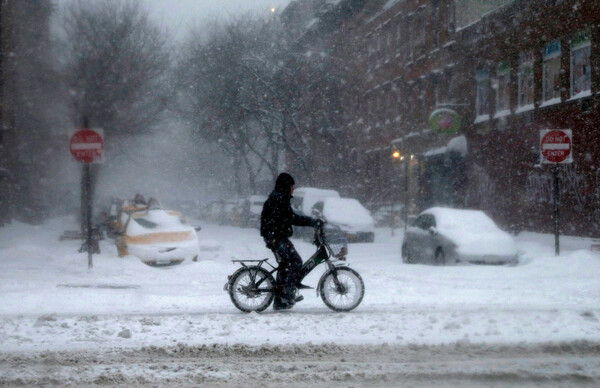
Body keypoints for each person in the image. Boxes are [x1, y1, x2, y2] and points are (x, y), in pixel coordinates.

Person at [260, 173, 322, 310]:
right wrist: (312, 222)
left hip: (275, 235)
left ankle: (281, 300)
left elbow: (289, 217)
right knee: (294, 261)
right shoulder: (279, 198)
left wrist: (311, 222)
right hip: (275, 237)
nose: (293, 189)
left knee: (286, 264)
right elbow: (291, 218)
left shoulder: (280, 197)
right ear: (286, 186)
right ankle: (285, 294)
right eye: (292, 186)